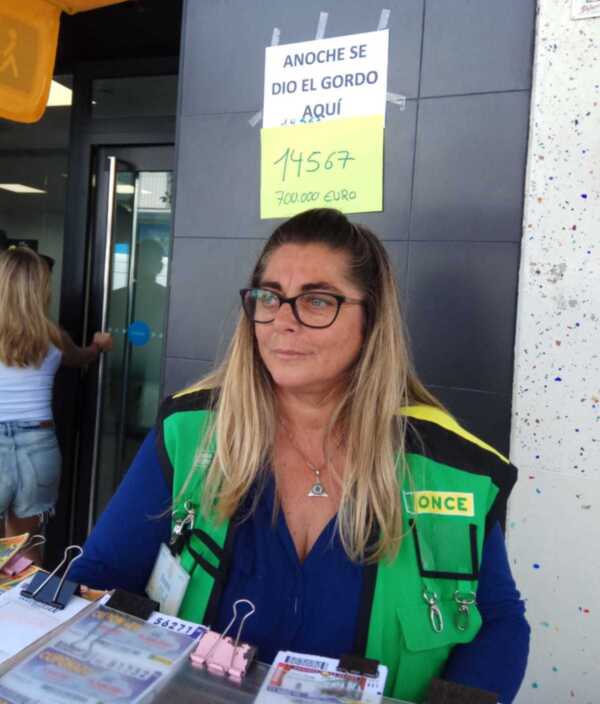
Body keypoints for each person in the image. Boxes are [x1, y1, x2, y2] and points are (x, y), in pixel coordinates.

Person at [70, 209, 529, 703]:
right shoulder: (190, 431)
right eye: (269, 297)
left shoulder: (451, 464)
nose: (282, 322)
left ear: (371, 319)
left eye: (316, 301)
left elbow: (497, 621)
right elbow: (101, 574)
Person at [0, 247, 113, 548]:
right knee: (23, 551)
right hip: (39, 447)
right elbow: (82, 357)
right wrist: (98, 346)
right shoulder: (53, 336)